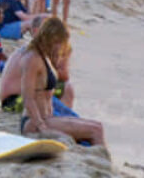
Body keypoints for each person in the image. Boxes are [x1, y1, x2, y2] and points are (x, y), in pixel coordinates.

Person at [19, 18, 105, 146]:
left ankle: (100, 158)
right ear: (51, 38)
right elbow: (28, 98)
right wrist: (42, 127)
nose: (61, 46)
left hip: (49, 118)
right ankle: (102, 159)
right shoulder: (32, 59)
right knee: (96, 131)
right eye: (59, 42)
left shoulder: (45, 56)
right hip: (35, 123)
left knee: (98, 126)